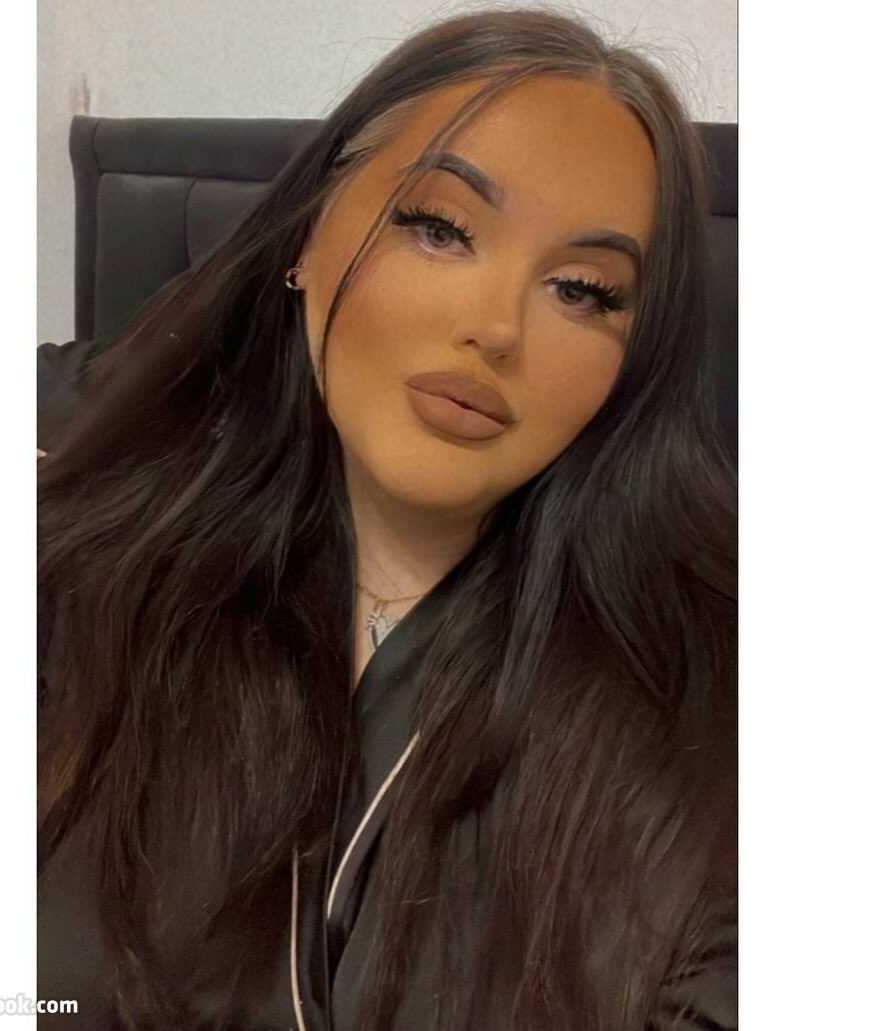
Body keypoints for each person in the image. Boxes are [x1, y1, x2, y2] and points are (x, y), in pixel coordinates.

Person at [37, 8, 737, 1030]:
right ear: (306, 236)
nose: (494, 327)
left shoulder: (718, 713)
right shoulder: (70, 512)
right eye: (438, 227)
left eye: (583, 290)